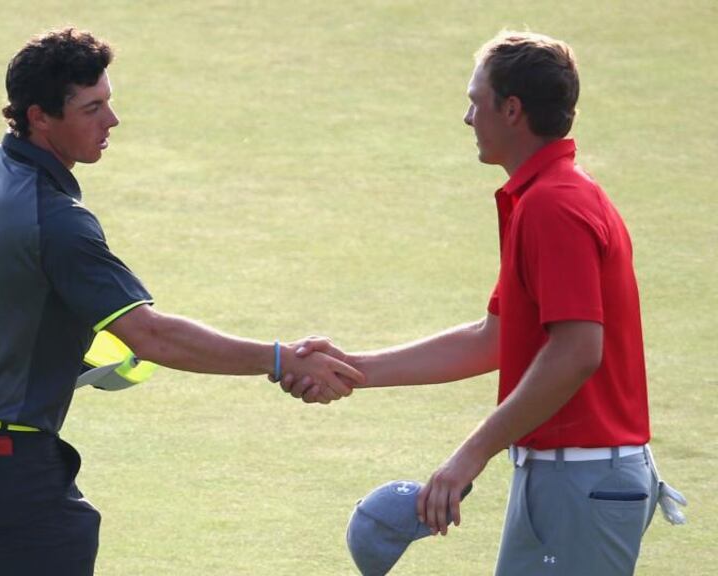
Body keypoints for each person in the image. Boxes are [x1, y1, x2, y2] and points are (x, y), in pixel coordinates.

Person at [0, 28, 364, 576]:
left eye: (109, 103)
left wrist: (2, 350)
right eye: (92, 108)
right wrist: (279, 358)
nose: (111, 121)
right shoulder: (58, 222)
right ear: (40, 117)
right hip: (2, 466)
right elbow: (151, 336)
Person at [283, 31, 683, 575]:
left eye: (476, 101)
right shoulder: (542, 196)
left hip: (581, 484)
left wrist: (470, 454)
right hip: (566, 481)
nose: (468, 118)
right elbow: (493, 337)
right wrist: (354, 368)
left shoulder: (554, 205)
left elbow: (577, 351)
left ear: (511, 109)